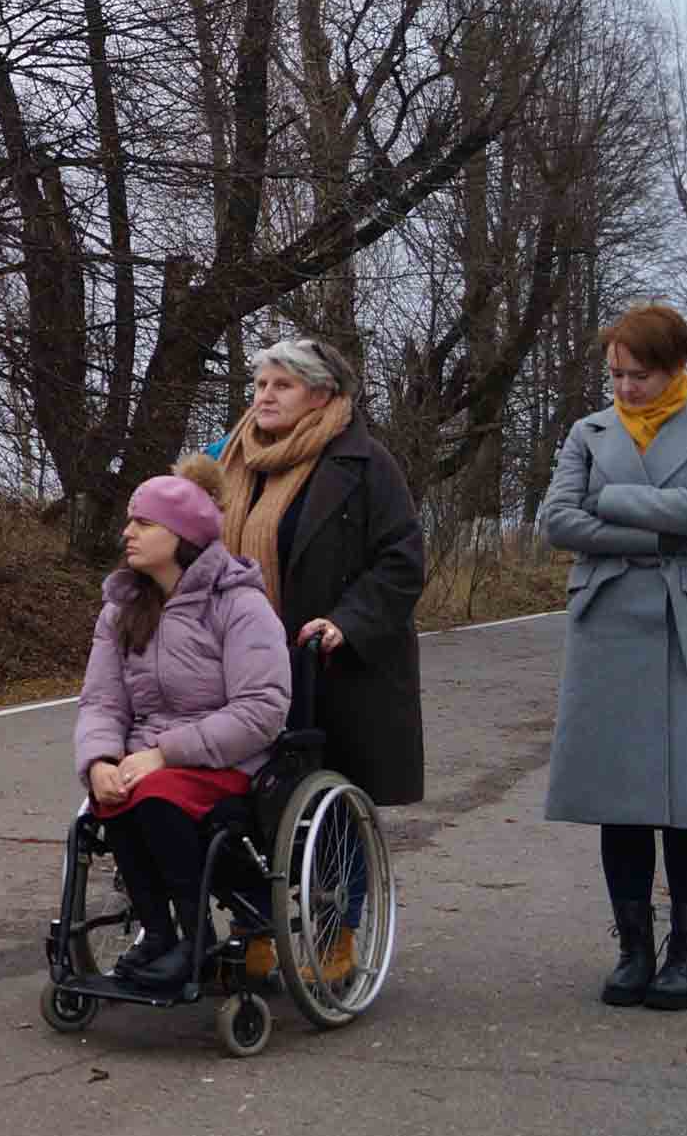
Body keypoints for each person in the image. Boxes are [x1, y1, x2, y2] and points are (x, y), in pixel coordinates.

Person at [540, 303, 687, 1011]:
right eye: (616, 375)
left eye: (640, 375)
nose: (624, 388)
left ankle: (685, 959)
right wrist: (652, 530)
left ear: (675, 368)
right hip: (606, 619)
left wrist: (612, 503)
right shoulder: (586, 431)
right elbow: (557, 521)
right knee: (618, 797)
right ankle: (633, 952)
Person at [72, 460, 293, 989]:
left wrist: (165, 754)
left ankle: (197, 940)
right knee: (113, 797)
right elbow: (101, 700)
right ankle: (160, 935)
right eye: (130, 521)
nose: (127, 532)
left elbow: (262, 708)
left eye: (143, 523)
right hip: (148, 762)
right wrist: (100, 760)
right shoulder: (121, 609)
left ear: (182, 535)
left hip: (230, 760)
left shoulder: (239, 604)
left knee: (151, 794)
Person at [208, 337, 426, 807]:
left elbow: (401, 563)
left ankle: (346, 882)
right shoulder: (226, 462)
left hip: (329, 668)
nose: (265, 395)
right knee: (238, 808)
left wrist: (346, 622)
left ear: (322, 395)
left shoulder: (366, 465)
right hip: (234, 659)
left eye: (283, 385)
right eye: (261, 384)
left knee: (330, 815)